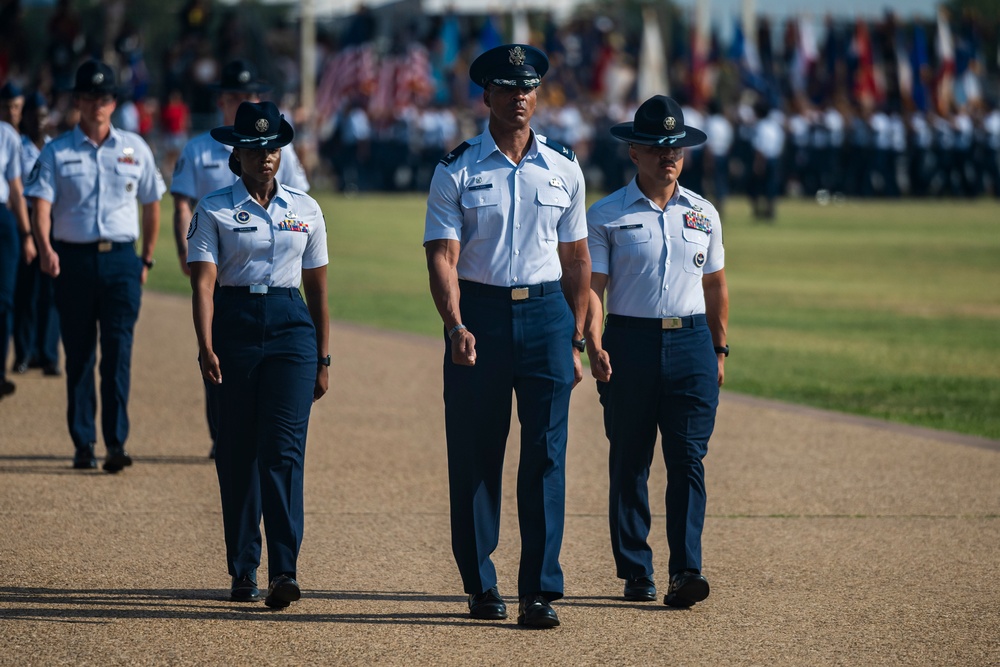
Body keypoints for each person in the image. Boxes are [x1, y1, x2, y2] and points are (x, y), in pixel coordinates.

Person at [423, 44, 591, 628]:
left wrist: (577, 337)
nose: (521, 96)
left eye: (529, 86)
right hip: (482, 316)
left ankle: (539, 589)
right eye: (507, 86)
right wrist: (455, 323)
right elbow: (443, 257)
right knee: (476, 454)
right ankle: (480, 583)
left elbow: (576, 259)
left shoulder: (565, 166)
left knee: (546, 455)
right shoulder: (457, 168)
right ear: (486, 95)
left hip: (547, 315)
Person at [584, 95, 729, 608]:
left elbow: (715, 287)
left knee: (688, 458)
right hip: (631, 343)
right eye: (657, 147)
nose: (669, 157)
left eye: (677, 148)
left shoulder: (704, 214)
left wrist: (719, 349)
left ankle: (685, 570)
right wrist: (593, 342)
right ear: (634, 152)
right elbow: (593, 290)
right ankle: (635, 570)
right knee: (630, 459)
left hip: (691, 343)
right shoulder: (604, 215)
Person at [187, 100, 329, 609]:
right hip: (235, 326)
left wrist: (324, 356)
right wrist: (205, 344)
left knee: (284, 451)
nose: (265, 156)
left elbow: (317, 287)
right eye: (255, 148)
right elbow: (203, 285)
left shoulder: (306, 208)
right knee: (238, 452)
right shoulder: (214, 208)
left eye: (273, 147)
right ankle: (244, 567)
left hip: (292, 329)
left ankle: (284, 570)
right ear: (237, 152)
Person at [24, 60, 165, 471]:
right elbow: (42, 206)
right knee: (81, 354)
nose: (96, 105)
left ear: (113, 102)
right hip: (74, 260)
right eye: (89, 97)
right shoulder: (57, 151)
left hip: (122, 259)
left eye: (104, 98)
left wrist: (147, 257)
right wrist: (45, 247)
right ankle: (83, 442)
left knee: (118, 354)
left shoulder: (135, 148)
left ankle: (116, 443)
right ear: (78, 101)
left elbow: (152, 204)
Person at [172, 58, 310, 459]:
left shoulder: (277, 150)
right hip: (214, 254)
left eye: (248, 95)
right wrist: (186, 250)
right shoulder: (199, 149)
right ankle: (225, 433)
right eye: (235, 95)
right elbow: (183, 203)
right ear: (223, 100)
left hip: (265, 257)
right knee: (217, 344)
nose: (241, 101)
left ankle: (251, 433)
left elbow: (299, 198)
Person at [12, 91, 61, 377]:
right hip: (26, 223)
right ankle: (23, 353)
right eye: (34, 115)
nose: (39, 121)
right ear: (25, 118)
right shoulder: (17, 147)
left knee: (52, 293)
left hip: (52, 224)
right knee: (25, 292)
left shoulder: (55, 149)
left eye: (43, 116)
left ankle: (49, 354)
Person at [0, 81, 33, 398]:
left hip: (3, 217)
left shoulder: (7, 136)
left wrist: (26, 234)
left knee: (4, 299)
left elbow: (15, 189)